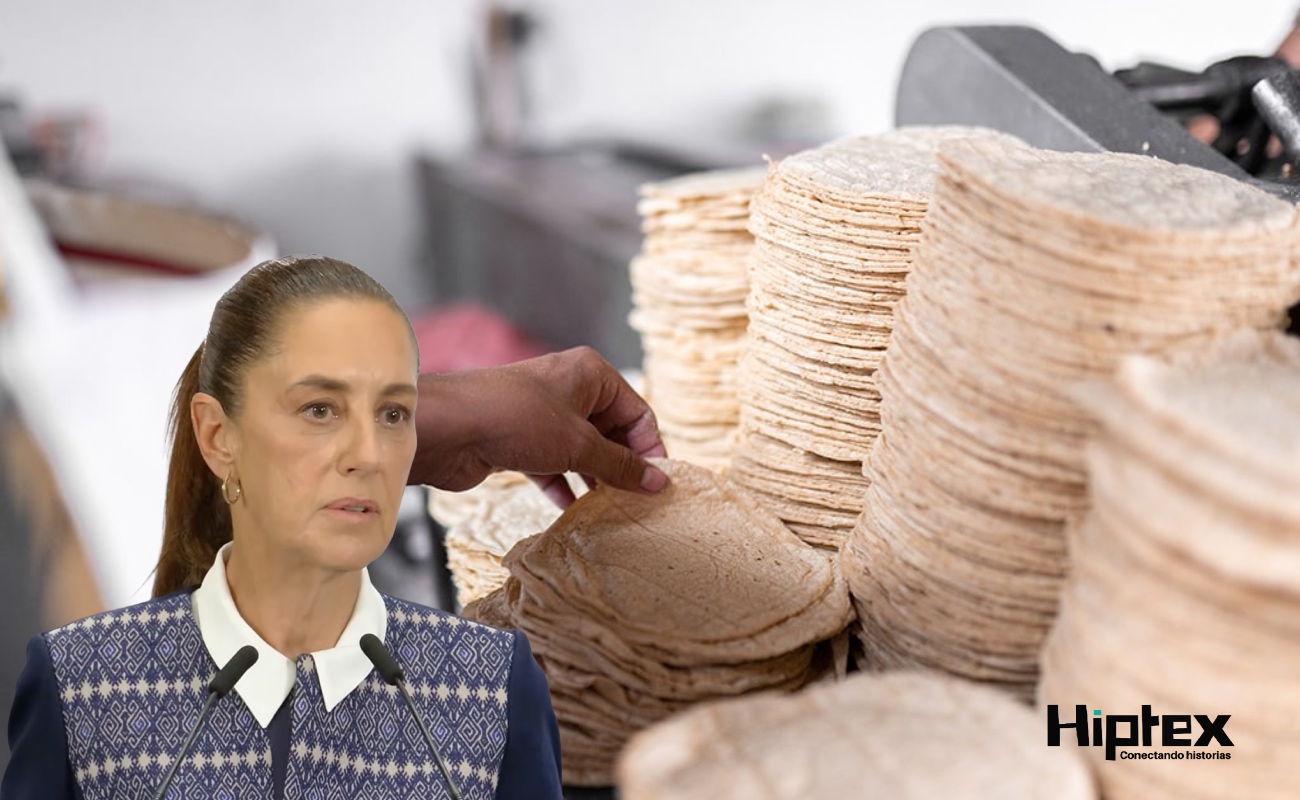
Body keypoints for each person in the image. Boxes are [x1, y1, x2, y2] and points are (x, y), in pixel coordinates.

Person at [1, 254, 667, 799]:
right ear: (215, 435)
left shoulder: (489, 683)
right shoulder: (84, 689)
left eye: (394, 413)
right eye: (319, 409)